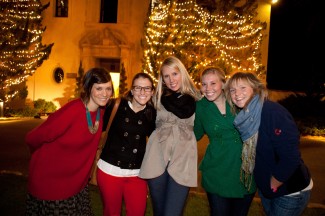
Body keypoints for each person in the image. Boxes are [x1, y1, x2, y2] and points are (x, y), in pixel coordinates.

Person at [25, 67, 114, 215]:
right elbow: (33, 137)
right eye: (99, 88)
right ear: (88, 88)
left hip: (78, 185)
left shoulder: (100, 111)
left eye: (108, 88)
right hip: (52, 185)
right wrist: (40, 157)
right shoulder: (73, 110)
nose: (105, 94)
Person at [224, 71, 313, 216]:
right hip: (268, 190)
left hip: (289, 190)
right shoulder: (246, 116)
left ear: (255, 89)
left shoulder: (271, 112)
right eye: (232, 90)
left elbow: (290, 156)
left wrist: (276, 181)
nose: (236, 93)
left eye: (243, 88)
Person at [139, 56, 202, 216]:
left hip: (182, 161)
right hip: (156, 159)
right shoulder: (156, 99)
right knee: (159, 212)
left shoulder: (198, 100)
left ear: (182, 73)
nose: (171, 79)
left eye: (174, 74)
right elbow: (144, 124)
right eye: (166, 76)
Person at [193, 67, 256, 216]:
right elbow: (193, 135)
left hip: (244, 170)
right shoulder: (200, 107)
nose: (208, 89)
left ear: (223, 83)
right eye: (204, 84)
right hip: (216, 171)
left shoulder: (238, 99)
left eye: (213, 83)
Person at [97, 72, 156, 216]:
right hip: (109, 170)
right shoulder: (115, 105)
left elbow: (157, 141)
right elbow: (95, 127)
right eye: (138, 88)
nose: (142, 92)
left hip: (137, 174)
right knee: (112, 212)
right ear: (131, 90)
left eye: (147, 88)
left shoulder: (152, 113)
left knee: (137, 211)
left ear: (152, 91)